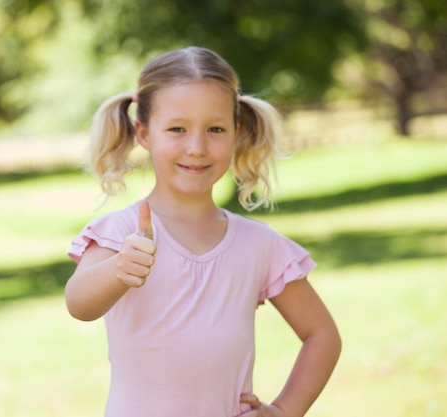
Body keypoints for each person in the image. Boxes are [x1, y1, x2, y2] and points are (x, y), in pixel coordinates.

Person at [65, 46, 341, 417]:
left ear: (236, 131)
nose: (196, 148)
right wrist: (118, 269)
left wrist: (284, 410)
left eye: (215, 129)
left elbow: (322, 336)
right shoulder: (123, 231)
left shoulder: (259, 244)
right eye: (177, 129)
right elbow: (78, 304)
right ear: (144, 133)